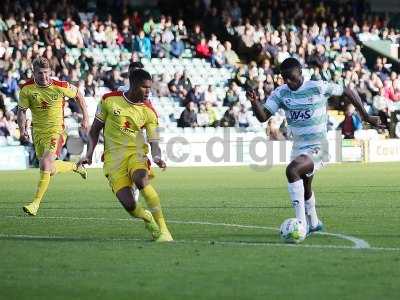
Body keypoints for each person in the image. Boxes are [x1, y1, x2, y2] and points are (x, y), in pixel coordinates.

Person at [247, 57, 380, 234]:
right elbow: (263, 116)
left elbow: (347, 91)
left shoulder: (317, 86)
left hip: (319, 147)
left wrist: (365, 116)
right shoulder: (281, 93)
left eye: (292, 78)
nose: (288, 82)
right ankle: (315, 223)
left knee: (292, 170)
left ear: (301, 73)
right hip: (298, 148)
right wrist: (255, 102)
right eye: (285, 78)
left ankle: (300, 224)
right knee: (305, 186)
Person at [78, 69, 173, 242]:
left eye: (149, 87)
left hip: (136, 153)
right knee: (129, 205)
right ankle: (147, 219)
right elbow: (94, 131)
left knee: (141, 180)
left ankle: (165, 231)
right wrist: (89, 154)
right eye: (144, 87)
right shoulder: (109, 100)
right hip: (113, 160)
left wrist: (157, 156)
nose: (148, 91)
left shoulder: (149, 112)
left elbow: (154, 141)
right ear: (134, 85)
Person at [17, 56, 89, 216]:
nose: (44, 76)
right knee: (50, 168)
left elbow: (79, 96)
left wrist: (85, 118)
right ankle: (75, 166)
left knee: (45, 163)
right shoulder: (27, 89)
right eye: (40, 73)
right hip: (38, 133)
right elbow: (21, 111)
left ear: (50, 71)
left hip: (56, 131)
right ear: (33, 73)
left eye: (46, 72)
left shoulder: (60, 86)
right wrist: (22, 130)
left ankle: (35, 204)